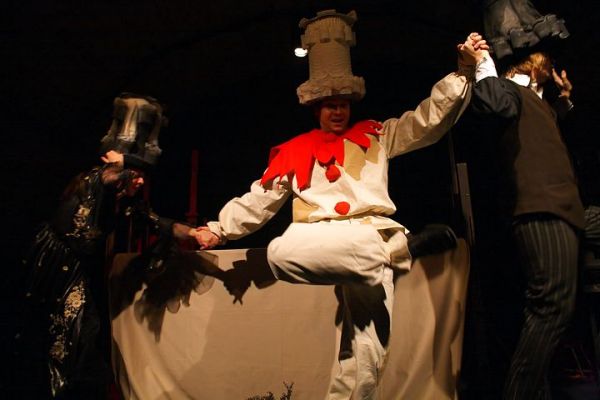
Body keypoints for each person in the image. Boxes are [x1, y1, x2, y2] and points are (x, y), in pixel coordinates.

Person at [195, 10, 489, 399]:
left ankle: (385, 257)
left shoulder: (377, 135)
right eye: (330, 104)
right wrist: (218, 229)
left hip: (369, 236)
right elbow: (259, 200)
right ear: (316, 108)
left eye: (344, 103)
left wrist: (463, 72)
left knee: (367, 352)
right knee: (280, 254)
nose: (338, 111)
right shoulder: (294, 151)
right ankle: (397, 252)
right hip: (323, 239)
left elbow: (428, 121)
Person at [12, 93, 206, 399]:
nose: (140, 182)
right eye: (137, 176)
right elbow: (112, 175)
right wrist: (125, 163)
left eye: (142, 177)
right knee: (58, 329)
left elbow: (158, 222)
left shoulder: (126, 202)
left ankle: (68, 387)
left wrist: (195, 233)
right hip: (54, 263)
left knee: (82, 330)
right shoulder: (96, 179)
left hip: (77, 268)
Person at [467, 45, 585, 398]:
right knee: (551, 308)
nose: (551, 70)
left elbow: (543, 126)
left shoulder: (538, 101)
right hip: (542, 208)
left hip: (569, 206)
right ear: (531, 66)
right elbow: (493, 103)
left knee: (556, 308)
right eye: (545, 65)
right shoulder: (506, 89)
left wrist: (564, 101)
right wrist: (482, 62)